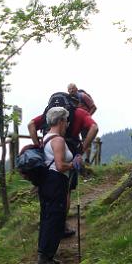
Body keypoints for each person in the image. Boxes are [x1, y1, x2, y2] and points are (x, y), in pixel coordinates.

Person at [27, 98, 99, 238]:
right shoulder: (78, 113)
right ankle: (60, 225)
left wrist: (38, 147)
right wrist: (82, 148)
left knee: (48, 190)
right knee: (65, 192)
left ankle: (47, 226)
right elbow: (94, 127)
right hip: (69, 154)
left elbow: (31, 125)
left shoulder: (50, 113)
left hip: (48, 153)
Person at [35, 107, 83, 264]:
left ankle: (45, 255)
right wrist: (74, 164)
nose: (68, 124)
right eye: (66, 120)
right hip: (55, 182)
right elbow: (60, 165)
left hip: (47, 182)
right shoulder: (58, 141)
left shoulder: (47, 137)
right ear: (61, 121)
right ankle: (45, 259)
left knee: (47, 217)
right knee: (55, 218)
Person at [67, 83, 96, 163]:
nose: (71, 90)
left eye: (73, 88)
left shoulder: (83, 96)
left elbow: (94, 107)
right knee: (74, 139)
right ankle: (74, 158)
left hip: (84, 121)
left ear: (76, 88)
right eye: (69, 89)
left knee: (85, 139)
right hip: (75, 121)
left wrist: (87, 117)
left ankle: (87, 159)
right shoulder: (68, 98)